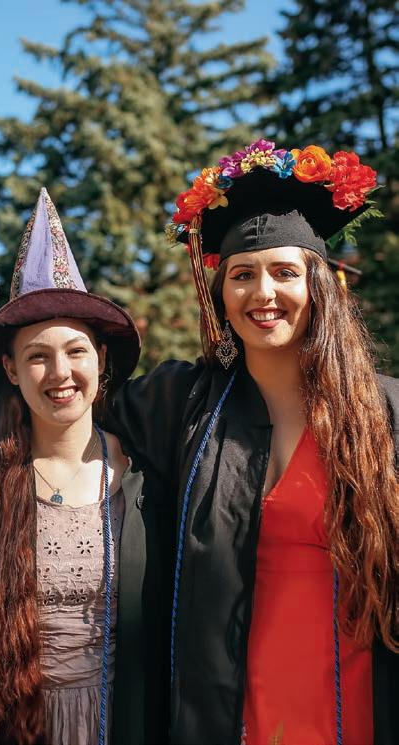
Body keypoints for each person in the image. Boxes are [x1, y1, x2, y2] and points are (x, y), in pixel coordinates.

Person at [106, 140, 398, 744]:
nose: (262, 294)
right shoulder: (182, 404)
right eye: (242, 275)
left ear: (319, 286)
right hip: (229, 707)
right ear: (219, 293)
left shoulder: (384, 414)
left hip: (358, 698)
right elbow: (72, 402)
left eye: (284, 273)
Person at [0, 189, 171, 745]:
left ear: (101, 359)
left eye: (76, 351)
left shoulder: (145, 477)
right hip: (16, 726)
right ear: (11, 369)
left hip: (123, 723)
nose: (59, 372)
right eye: (37, 356)